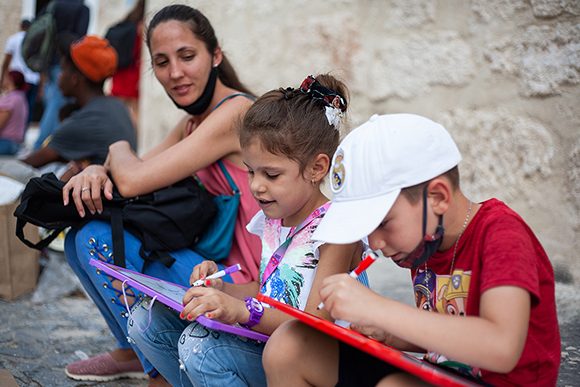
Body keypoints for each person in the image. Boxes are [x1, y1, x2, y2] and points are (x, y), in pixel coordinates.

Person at [262, 113, 561, 386]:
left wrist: (379, 308)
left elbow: (501, 347)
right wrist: (389, 334)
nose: (376, 243)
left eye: (384, 223)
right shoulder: (426, 239)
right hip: (439, 374)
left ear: (438, 197)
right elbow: (447, 336)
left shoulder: (502, 234)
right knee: (290, 344)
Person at [60, 4, 261, 384]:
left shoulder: (234, 113)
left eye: (187, 56)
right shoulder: (191, 123)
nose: (176, 73)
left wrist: (116, 148)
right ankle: (134, 350)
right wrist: (95, 170)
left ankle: (158, 368)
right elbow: (132, 174)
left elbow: (133, 179)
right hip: (210, 267)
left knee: (95, 239)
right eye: (162, 62)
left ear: (215, 55)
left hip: (246, 284)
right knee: (75, 241)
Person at [128, 73, 367, 387]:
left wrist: (241, 312)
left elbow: (317, 324)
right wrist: (221, 290)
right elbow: (269, 292)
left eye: (271, 174)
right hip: (272, 346)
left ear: (316, 168)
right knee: (145, 321)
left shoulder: (336, 230)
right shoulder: (275, 219)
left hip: (318, 365)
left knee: (200, 348)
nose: (256, 186)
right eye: (251, 171)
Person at [19, 35, 137, 170]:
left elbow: (29, 163)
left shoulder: (85, 121)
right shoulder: (116, 105)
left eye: (62, 70)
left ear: (74, 79)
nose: (59, 76)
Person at [34, 0, 90, 150]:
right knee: (57, 106)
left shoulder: (53, 5)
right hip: (66, 63)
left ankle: (46, 144)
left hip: (48, 61)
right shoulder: (82, 9)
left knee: (52, 102)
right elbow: (80, 39)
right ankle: (42, 145)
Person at [109, 0, 145, 134]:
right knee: (135, 111)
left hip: (120, 73)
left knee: (117, 111)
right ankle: (133, 141)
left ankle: (114, 138)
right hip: (132, 73)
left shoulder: (127, 22)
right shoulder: (140, 27)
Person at [1, 19, 41, 126]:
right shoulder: (36, 40)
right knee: (27, 109)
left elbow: (7, 60)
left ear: (21, 26)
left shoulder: (13, 39)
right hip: (33, 78)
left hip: (17, 79)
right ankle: (22, 134)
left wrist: (3, 77)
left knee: (13, 107)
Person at [0, 71, 28, 155]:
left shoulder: (10, 99)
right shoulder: (21, 97)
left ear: (10, 80)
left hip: (5, 143)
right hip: (15, 144)